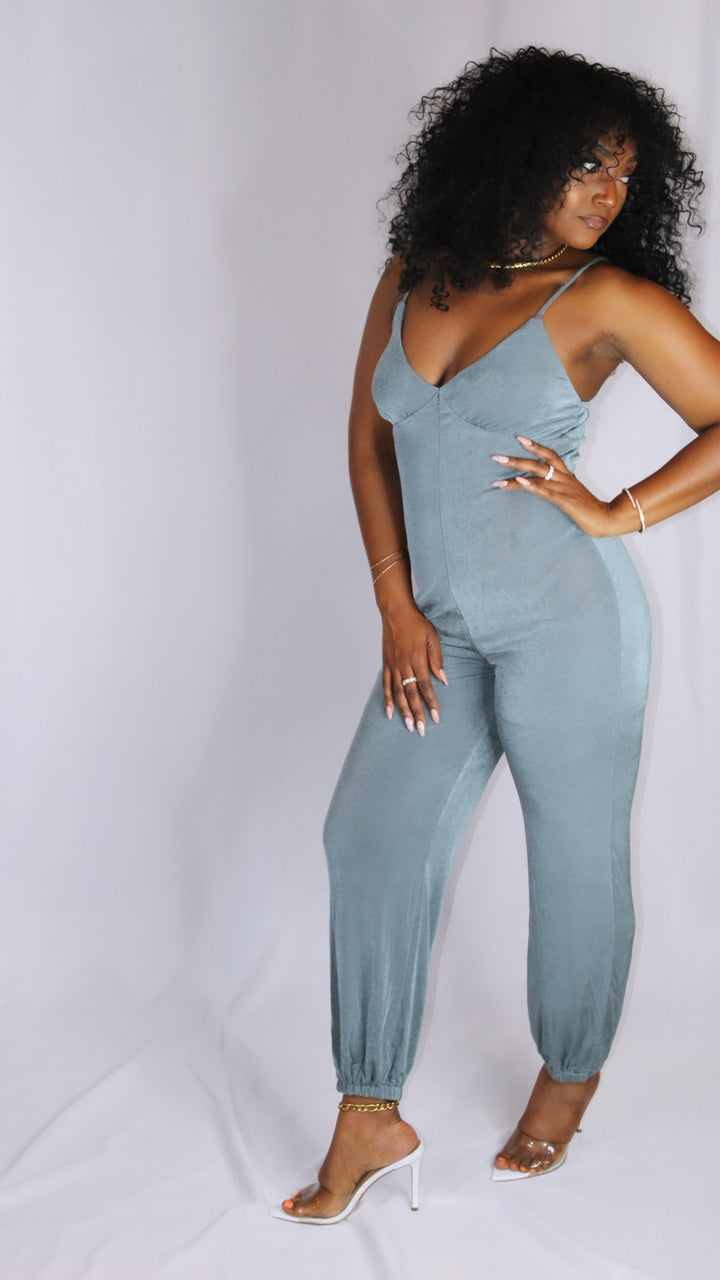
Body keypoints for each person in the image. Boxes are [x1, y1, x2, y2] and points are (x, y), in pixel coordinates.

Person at [271, 46, 718, 1224]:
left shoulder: (608, 299)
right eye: (586, 164)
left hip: (572, 622)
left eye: (625, 175)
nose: (607, 192)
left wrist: (617, 510)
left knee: (572, 853)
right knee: (369, 833)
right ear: (515, 153)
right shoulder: (417, 271)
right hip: (438, 629)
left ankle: (569, 1072)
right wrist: (394, 600)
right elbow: (370, 441)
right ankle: (370, 1106)